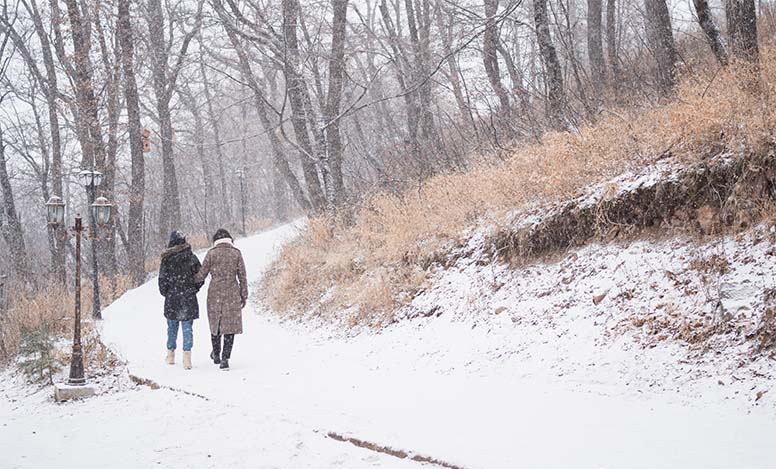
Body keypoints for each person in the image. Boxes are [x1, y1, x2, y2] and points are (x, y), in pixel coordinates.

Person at [195, 228, 248, 370]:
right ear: (229, 239)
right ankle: (225, 359)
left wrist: (189, 281)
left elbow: (201, 275)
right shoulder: (236, 253)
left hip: (215, 293)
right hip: (232, 293)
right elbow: (242, 276)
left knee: (215, 325)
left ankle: (216, 354)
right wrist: (244, 295)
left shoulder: (211, 254)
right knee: (230, 327)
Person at [158, 231, 204, 370]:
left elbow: (162, 280)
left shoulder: (166, 259)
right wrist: (193, 288)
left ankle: (170, 355)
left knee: (172, 327)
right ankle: (187, 359)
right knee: (187, 328)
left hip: (172, 297)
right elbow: (200, 277)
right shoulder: (191, 257)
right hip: (188, 296)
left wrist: (167, 292)